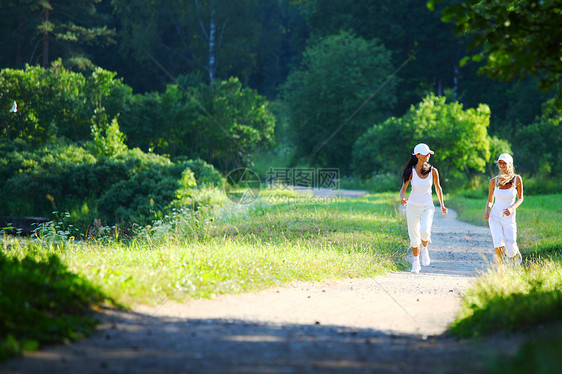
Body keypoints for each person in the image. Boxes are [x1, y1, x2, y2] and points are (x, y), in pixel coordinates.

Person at [400, 143, 448, 273]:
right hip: (412, 207)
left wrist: (442, 205)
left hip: (428, 206)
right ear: (417, 155)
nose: (428, 156)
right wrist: (402, 198)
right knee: (414, 236)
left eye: (429, 154)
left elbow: (438, 188)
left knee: (425, 230)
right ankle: (416, 262)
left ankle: (425, 249)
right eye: (426, 154)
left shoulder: (433, 171)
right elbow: (403, 190)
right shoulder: (410, 172)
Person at [483, 153, 524, 265]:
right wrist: (487, 211)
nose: (501, 165)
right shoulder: (493, 181)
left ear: (510, 164)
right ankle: (501, 272)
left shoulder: (517, 179)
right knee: (499, 244)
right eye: (500, 163)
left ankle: (515, 254)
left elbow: (520, 198)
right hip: (495, 216)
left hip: (509, 218)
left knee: (510, 249)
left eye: (504, 163)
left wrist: (511, 208)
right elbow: (490, 200)